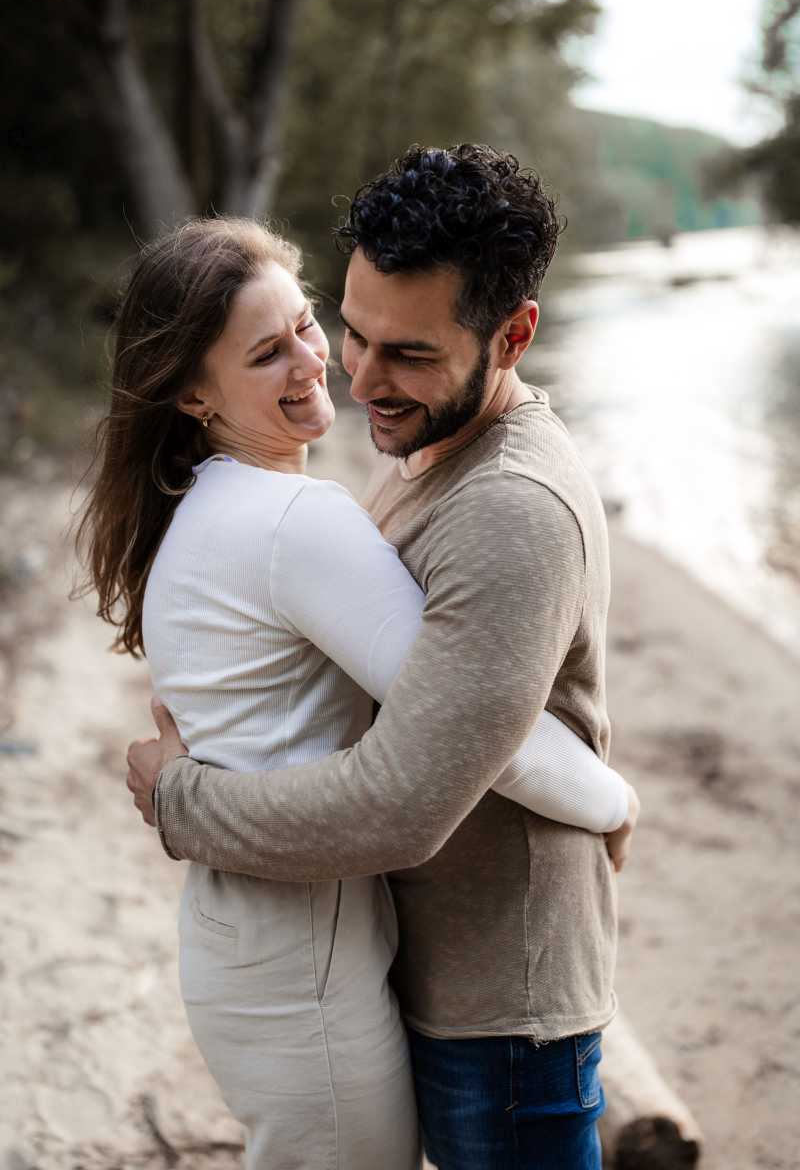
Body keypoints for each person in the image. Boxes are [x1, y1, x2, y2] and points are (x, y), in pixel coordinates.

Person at [121, 146, 639, 1170]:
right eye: (347, 331)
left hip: (502, 1005)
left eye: (403, 352)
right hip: (407, 971)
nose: (353, 378)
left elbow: (400, 802)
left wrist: (180, 801)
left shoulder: (508, 511)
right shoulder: (417, 455)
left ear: (513, 334)